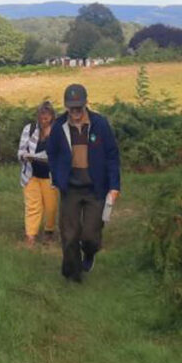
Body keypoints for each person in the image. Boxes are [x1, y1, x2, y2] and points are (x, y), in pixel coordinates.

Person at [46, 84, 121, 282]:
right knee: (69, 235)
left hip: (95, 188)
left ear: (86, 104)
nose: (76, 112)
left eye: (79, 107)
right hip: (70, 188)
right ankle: (73, 274)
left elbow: (112, 155)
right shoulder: (59, 126)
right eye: (72, 108)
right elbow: (52, 153)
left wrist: (114, 186)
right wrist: (56, 177)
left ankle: (89, 252)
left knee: (90, 236)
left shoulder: (100, 124)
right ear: (66, 107)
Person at [18, 101, 58, 247]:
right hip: (31, 174)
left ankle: (49, 230)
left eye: (46, 117)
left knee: (51, 207)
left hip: (50, 176)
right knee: (33, 206)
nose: (43, 120)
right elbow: (20, 151)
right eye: (41, 117)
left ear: (52, 117)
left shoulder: (58, 131)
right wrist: (25, 156)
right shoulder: (29, 129)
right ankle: (31, 235)